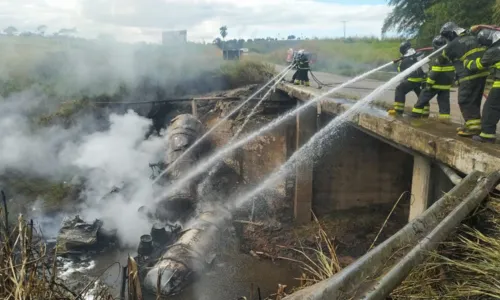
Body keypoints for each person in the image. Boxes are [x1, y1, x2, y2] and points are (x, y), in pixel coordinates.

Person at [440, 22, 490, 137]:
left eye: (447, 36)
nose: (447, 39)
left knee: (465, 100)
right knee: (474, 100)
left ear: (451, 34)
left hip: (468, 75)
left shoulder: (452, 45)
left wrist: (441, 50)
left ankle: (473, 128)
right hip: (482, 72)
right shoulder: (472, 37)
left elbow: (444, 57)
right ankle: (474, 125)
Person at [463, 27, 500, 143]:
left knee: (491, 108)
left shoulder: (493, 50)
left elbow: (478, 65)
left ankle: (487, 135)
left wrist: (466, 63)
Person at [410, 35, 455, 121]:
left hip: (435, 84)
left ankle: (415, 116)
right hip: (446, 86)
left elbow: (435, 71)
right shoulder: (451, 55)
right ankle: (444, 121)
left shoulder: (439, 56)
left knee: (422, 99)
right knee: (444, 104)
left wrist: (429, 83)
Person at [388, 41, 426, 116]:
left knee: (399, 89)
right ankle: (425, 113)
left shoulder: (405, 60)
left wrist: (401, 61)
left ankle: (398, 111)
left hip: (412, 80)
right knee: (422, 96)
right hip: (422, 80)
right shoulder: (417, 55)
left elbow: (401, 70)